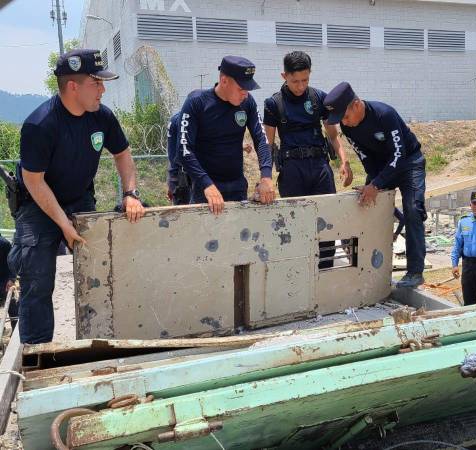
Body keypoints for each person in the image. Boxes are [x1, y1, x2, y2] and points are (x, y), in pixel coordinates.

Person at [8, 49, 145, 343]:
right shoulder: (40, 124)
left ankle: (98, 343)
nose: (103, 90)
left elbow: (122, 155)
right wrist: (63, 225)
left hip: (79, 197)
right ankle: (37, 354)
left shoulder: (102, 118)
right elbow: (34, 181)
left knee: (100, 269)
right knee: (37, 277)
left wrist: (130, 193)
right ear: (73, 86)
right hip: (38, 204)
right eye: (96, 83)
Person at [323, 82, 426, 286]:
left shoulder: (384, 115)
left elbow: (399, 154)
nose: (345, 122)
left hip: (408, 163)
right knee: (363, 203)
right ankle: (363, 267)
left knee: (413, 209)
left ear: (356, 105)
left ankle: (415, 272)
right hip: (381, 167)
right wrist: (373, 185)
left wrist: (376, 185)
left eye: (345, 116)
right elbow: (366, 159)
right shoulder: (347, 126)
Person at [263, 51, 352, 268]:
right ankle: (297, 273)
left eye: (305, 80)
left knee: (327, 222)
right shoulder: (274, 104)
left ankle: (325, 270)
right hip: (292, 170)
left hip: (320, 167)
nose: (300, 86)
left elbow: (332, 134)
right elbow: (267, 143)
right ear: (284, 76)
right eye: (295, 81)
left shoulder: (318, 98)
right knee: (294, 224)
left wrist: (344, 161)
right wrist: (264, 178)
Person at [178, 56, 275, 214]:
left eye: (248, 89)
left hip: (237, 186)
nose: (245, 94)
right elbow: (184, 149)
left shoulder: (247, 102)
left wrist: (266, 175)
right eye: (241, 88)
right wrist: (206, 184)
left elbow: (261, 139)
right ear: (224, 81)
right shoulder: (197, 103)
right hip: (206, 190)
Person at [166, 111, 191, 205]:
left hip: (180, 178)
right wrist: (172, 181)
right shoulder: (182, 120)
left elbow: (171, 155)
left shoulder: (176, 118)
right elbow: (174, 156)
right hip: (184, 179)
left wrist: (171, 181)